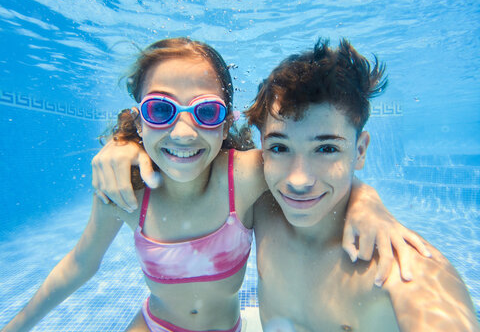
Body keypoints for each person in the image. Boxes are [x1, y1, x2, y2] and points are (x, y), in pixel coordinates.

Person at [2, 38, 428, 332]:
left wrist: (369, 203)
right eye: (160, 109)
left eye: (205, 113)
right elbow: (81, 263)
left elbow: (308, 172)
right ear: (138, 117)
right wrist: (16, 325)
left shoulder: (242, 177)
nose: (184, 133)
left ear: (226, 122)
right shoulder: (126, 191)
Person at [244, 39, 479, 331]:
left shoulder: (406, 270)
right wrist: (365, 197)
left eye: (326, 149)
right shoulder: (261, 205)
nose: (298, 180)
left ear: (360, 151)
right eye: (279, 148)